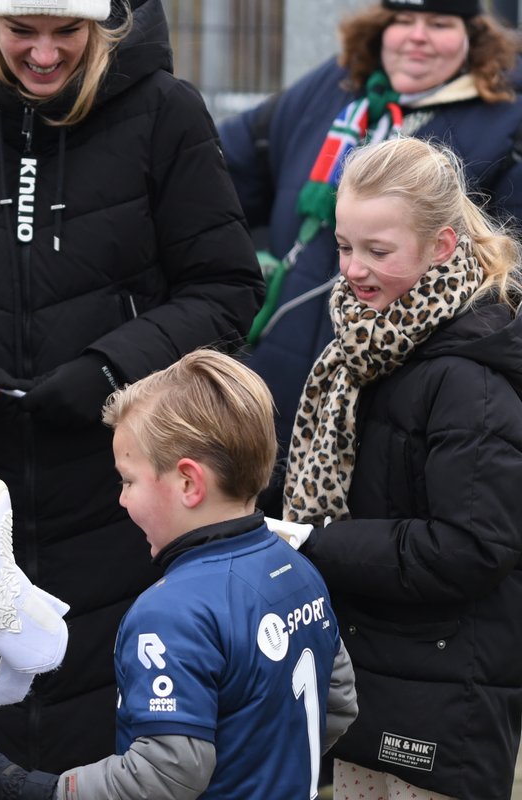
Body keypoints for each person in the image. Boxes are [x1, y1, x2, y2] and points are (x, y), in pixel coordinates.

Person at [0, 0, 263, 773]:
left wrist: (112, 368)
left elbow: (224, 286)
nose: (43, 55)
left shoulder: (165, 113)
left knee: (118, 741)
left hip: (123, 482)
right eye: (21, 33)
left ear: (104, 28)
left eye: (66, 33)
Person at [0, 349, 358, 799]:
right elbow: (337, 704)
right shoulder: (300, 570)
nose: (121, 499)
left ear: (188, 483)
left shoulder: (171, 612)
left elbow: (165, 775)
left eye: (128, 481)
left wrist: (36, 790)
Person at [269, 136, 522, 799]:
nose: (352, 269)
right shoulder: (369, 341)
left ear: (441, 247)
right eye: (345, 246)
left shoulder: (468, 378)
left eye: (378, 252)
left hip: (442, 695)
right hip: (375, 669)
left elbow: (471, 547)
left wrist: (313, 543)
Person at [218, 0, 522, 514]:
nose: (417, 36)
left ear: (474, 36)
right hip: (288, 372)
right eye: (402, 20)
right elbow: (222, 172)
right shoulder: (333, 91)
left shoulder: (504, 124)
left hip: (401, 398)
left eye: (440, 24)